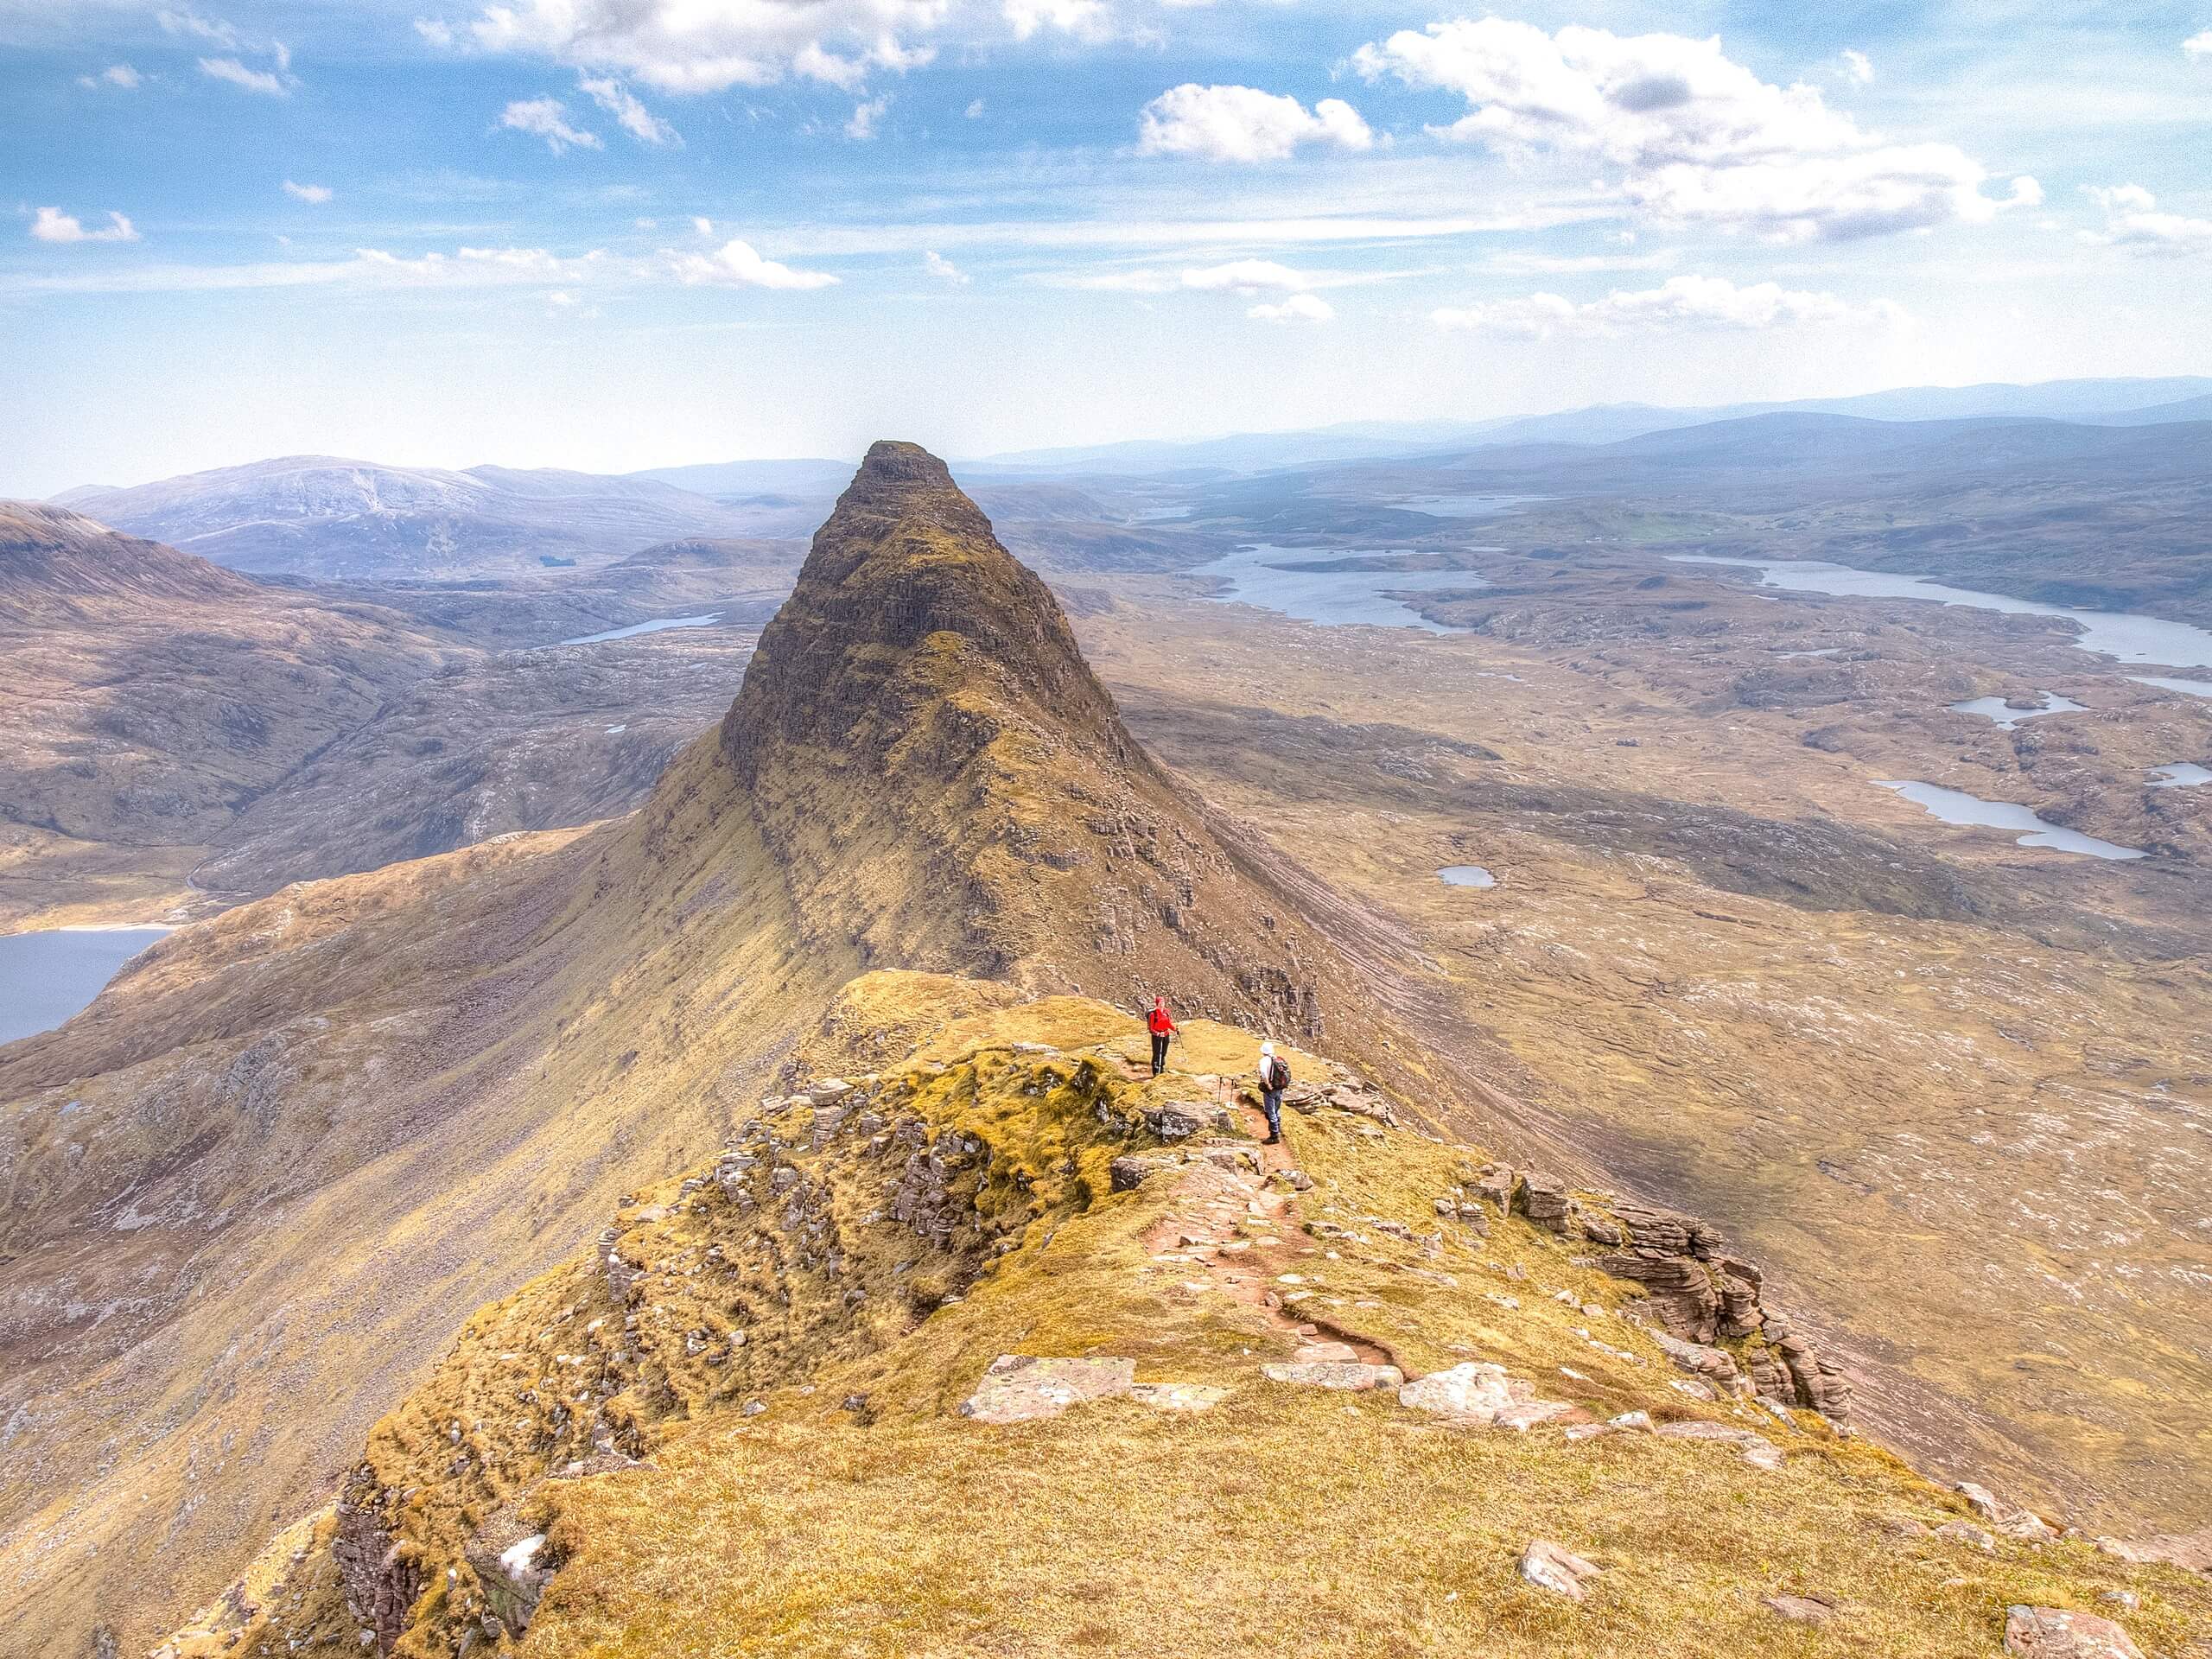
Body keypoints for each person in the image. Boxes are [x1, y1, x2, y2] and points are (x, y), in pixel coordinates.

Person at [1256, 1039, 1287, 1145]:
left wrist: (1267, 1084)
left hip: (1271, 1089)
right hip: (1279, 1088)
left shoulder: (1264, 1060)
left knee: (1270, 1111)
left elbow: (1264, 1073)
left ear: (1263, 1051)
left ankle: (1274, 1136)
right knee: (1277, 1109)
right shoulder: (1277, 1059)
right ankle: (1277, 1129)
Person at [1146, 995, 1177, 1077]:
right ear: (1157, 1003)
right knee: (1156, 1053)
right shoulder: (1153, 1014)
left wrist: (1175, 1029)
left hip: (1166, 1034)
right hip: (1157, 1036)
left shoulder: (1167, 1012)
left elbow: (1168, 1023)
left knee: (1164, 1052)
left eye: (1163, 1002)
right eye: (1160, 1002)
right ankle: (1155, 1070)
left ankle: (1162, 1068)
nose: (1162, 1004)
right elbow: (1151, 1029)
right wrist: (1158, 1033)